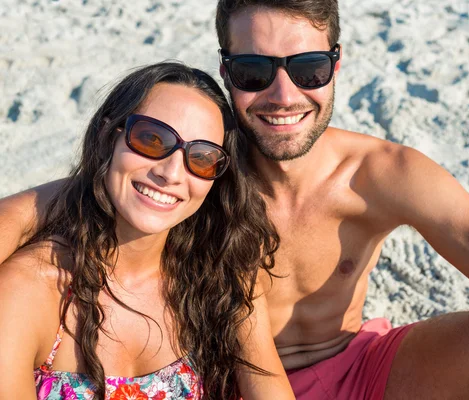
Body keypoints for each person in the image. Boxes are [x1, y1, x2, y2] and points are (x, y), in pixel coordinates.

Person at [1, 1, 469, 399]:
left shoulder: (382, 174)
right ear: (227, 71)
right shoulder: (196, 165)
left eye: (309, 68)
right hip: (223, 381)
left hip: (356, 369)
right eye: (256, 71)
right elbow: (90, 191)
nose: (283, 95)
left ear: (336, 65)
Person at [0, 62, 295, 400]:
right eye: (151, 139)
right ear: (108, 136)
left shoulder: (220, 275)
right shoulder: (28, 290)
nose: (171, 173)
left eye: (201, 158)